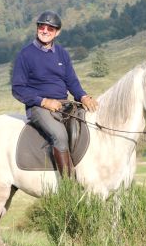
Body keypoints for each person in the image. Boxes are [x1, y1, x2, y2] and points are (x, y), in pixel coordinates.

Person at [11, 11, 98, 178]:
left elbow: (71, 81)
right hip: (38, 107)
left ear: (57, 32)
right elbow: (18, 89)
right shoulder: (25, 55)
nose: (45, 30)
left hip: (64, 104)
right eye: (42, 27)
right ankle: (68, 187)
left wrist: (83, 96)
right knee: (59, 136)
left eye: (50, 28)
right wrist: (44, 101)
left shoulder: (62, 53)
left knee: (88, 125)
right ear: (37, 28)